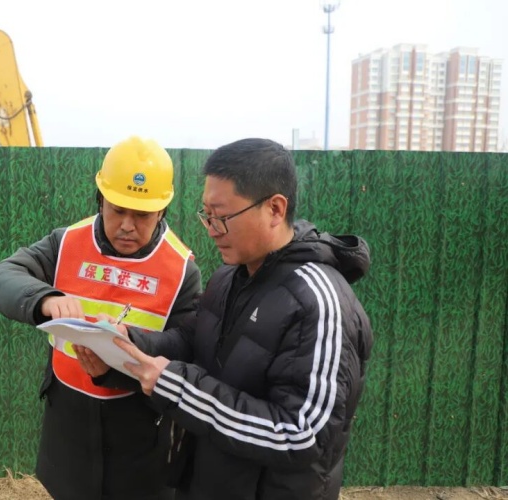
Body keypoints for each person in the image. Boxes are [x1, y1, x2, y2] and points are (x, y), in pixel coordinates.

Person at [77, 138, 373, 499]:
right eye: (206, 214)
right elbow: (190, 342)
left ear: (275, 209)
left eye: (222, 217)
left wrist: (178, 388)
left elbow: (302, 435)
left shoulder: (318, 302)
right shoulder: (228, 277)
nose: (211, 228)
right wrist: (123, 348)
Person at [0, 136, 202, 500]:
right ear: (100, 199)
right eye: (117, 210)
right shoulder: (66, 243)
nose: (127, 225)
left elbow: (185, 345)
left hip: (140, 437)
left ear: (162, 211)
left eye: (142, 215)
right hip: (69, 427)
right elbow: (4, 276)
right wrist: (45, 298)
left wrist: (127, 349)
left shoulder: (182, 270)